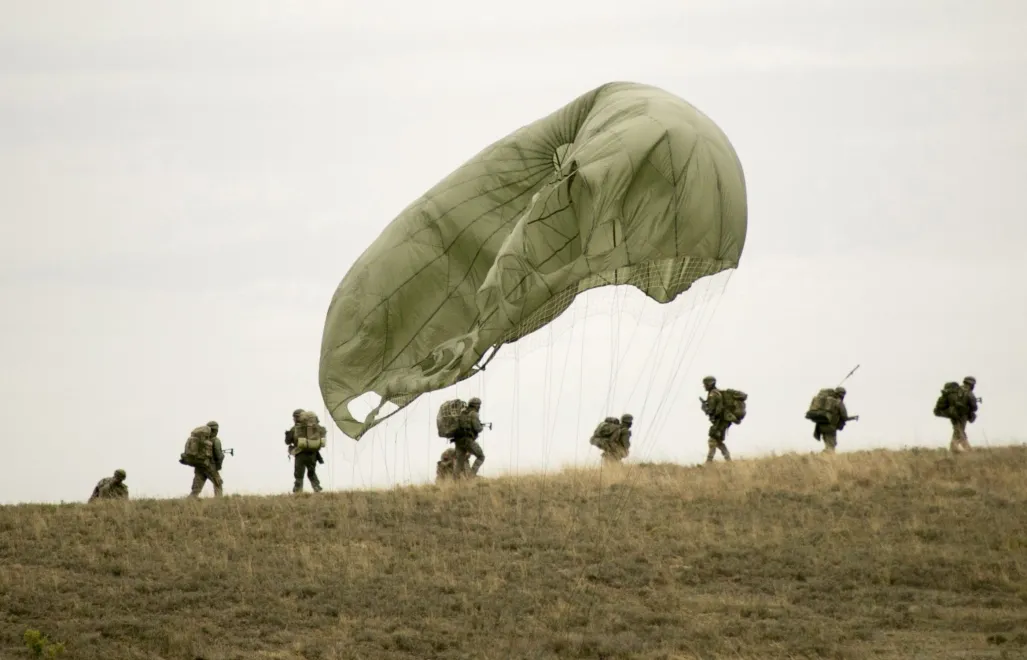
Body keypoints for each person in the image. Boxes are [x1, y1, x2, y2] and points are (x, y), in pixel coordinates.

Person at [700, 376, 731, 463]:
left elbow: (711, 410)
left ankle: (708, 463)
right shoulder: (716, 393)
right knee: (718, 442)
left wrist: (704, 407)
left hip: (719, 422)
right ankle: (728, 460)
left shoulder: (713, 395)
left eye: (705, 384)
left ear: (710, 384)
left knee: (712, 441)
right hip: (721, 421)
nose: (704, 386)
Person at [452, 397, 485, 477]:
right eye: (479, 405)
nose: (479, 407)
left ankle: (454, 481)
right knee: (481, 456)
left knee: (460, 462)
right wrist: (481, 427)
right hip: (468, 440)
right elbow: (478, 428)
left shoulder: (462, 412)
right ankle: (471, 476)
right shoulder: (474, 414)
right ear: (476, 406)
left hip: (458, 440)